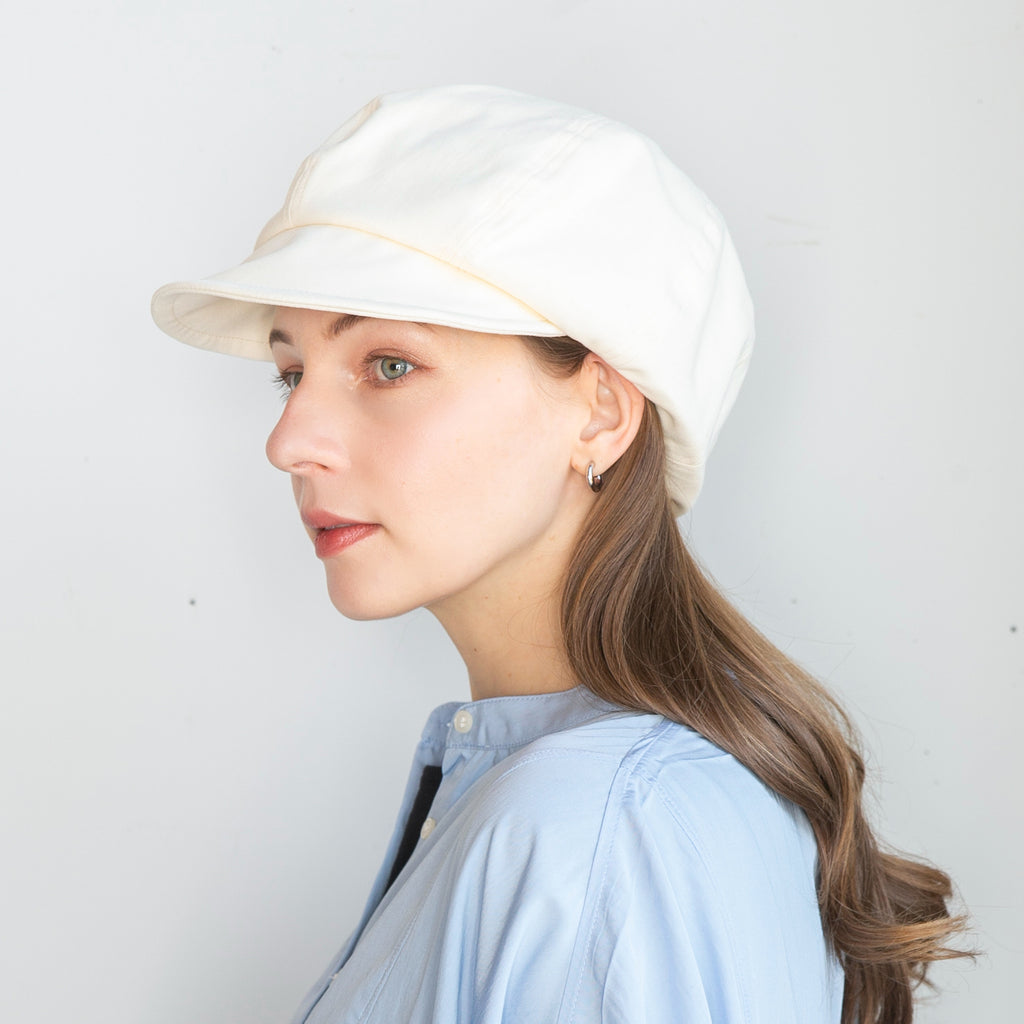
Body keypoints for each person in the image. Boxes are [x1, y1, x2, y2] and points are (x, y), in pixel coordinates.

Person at [152, 85, 968, 1024]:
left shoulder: (597, 831)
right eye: (291, 373)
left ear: (601, 411)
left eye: (389, 365)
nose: (290, 441)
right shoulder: (577, 802)